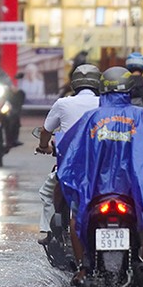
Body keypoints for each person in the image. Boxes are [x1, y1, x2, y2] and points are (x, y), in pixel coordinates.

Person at [55, 67, 143, 281]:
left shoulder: (91, 117)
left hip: (95, 191)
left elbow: (71, 150)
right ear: (129, 91)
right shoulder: (142, 116)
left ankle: (82, 268)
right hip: (131, 191)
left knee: (76, 218)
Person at [37, 63, 104, 238]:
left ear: (74, 83)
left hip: (70, 167)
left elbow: (46, 131)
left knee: (47, 193)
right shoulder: (106, 103)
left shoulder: (63, 103)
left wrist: (44, 146)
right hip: (103, 166)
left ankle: (51, 233)